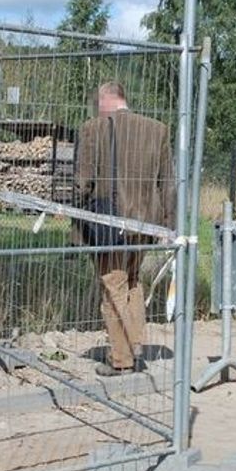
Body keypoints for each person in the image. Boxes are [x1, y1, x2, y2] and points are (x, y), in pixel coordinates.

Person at [74, 82, 176, 377]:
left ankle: (121, 359)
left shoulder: (94, 128)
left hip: (110, 222)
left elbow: (83, 182)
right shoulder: (157, 129)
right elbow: (168, 183)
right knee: (132, 282)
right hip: (145, 224)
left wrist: (73, 210)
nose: (97, 108)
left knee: (113, 285)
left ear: (107, 98)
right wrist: (167, 225)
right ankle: (135, 346)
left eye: (98, 102)